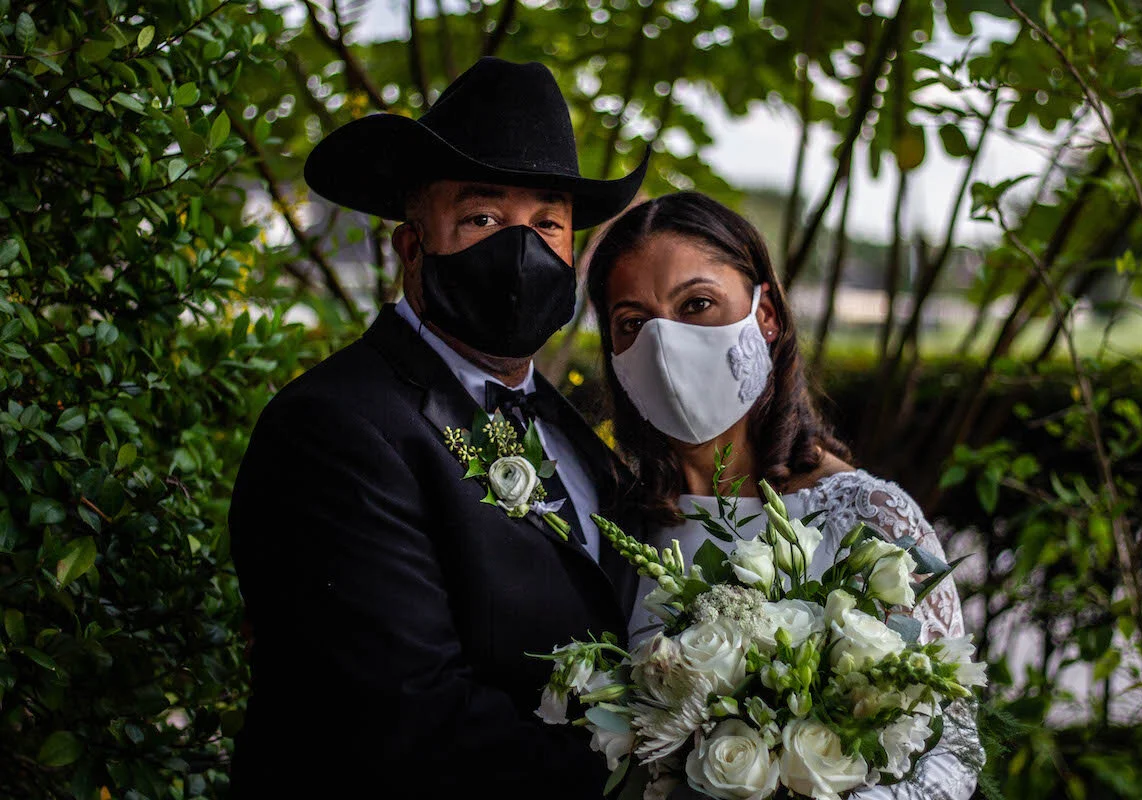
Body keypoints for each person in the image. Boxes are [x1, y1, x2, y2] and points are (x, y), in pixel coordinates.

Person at [227, 57, 648, 797]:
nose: (520, 250)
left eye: (546, 224)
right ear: (411, 248)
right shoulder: (334, 429)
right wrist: (665, 775)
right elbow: (408, 726)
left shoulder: (573, 434)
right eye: (482, 218)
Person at [585, 191, 984, 799]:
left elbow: (954, 744)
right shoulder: (622, 530)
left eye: (697, 304)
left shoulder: (865, 517)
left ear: (764, 313)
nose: (665, 345)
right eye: (633, 323)